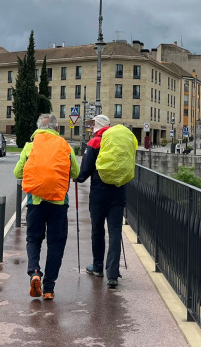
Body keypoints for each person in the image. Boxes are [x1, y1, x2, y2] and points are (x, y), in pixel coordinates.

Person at [14, 113, 80, 300]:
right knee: (56, 244)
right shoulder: (65, 146)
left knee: (33, 240)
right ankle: (49, 288)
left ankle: (34, 272)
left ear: (38, 128)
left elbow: (17, 172)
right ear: (56, 128)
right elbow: (75, 171)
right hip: (59, 203)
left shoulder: (30, 146)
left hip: (35, 202)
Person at [74, 114, 125, 288]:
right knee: (115, 231)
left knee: (97, 229)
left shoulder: (95, 142)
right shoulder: (118, 141)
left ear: (96, 126)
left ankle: (97, 268)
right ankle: (112, 274)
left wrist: (77, 178)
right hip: (119, 191)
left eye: (92, 125)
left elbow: (85, 170)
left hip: (99, 193)